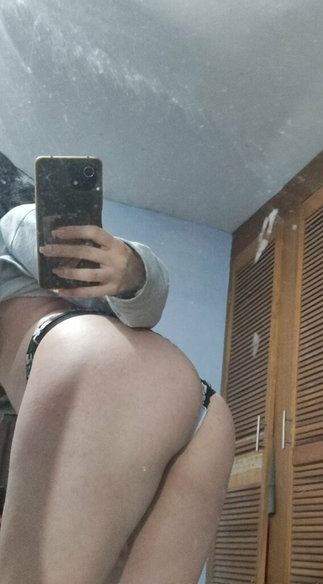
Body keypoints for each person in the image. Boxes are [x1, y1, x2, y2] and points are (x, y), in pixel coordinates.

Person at [0, 152, 235, 584]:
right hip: (203, 413)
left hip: (97, 373)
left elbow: (113, 272)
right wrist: (134, 273)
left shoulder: (13, 224)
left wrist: (132, 269)